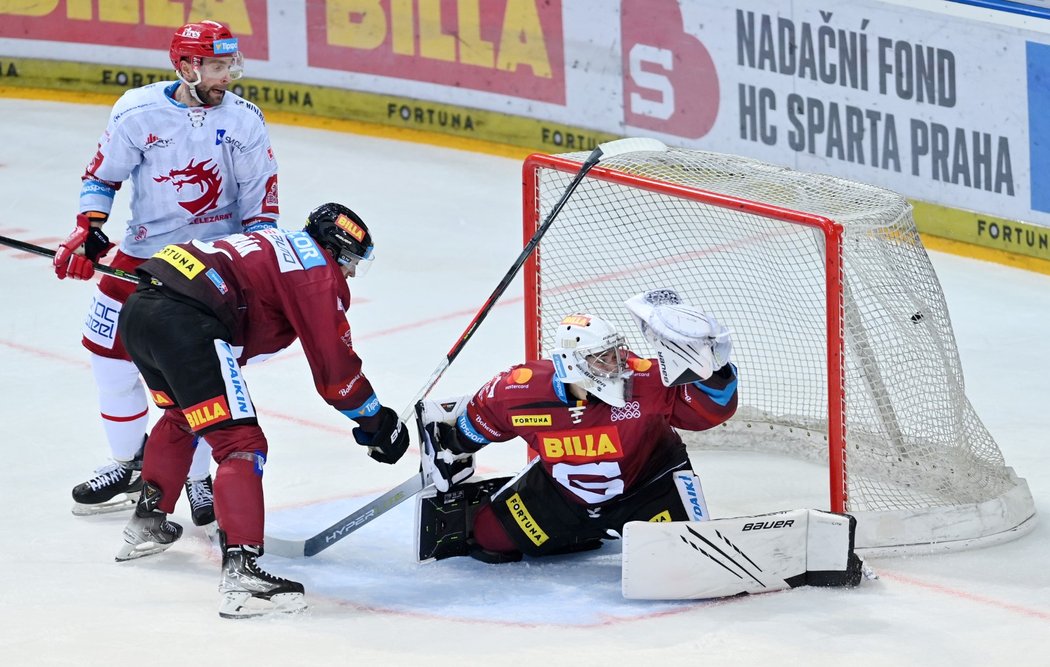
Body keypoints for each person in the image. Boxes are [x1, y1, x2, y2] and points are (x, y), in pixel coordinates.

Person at [113, 202, 410, 619]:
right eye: (349, 261)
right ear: (332, 249)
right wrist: (377, 421)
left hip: (142, 310)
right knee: (241, 442)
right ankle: (242, 572)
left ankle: (147, 522)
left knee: (183, 417)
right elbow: (334, 369)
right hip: (187, 322)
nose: (352, 273)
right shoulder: (315, 272)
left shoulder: (279, 243)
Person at [54, 20, 280, 525]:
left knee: (194, 378)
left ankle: (197, 478)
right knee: (109, 364)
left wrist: (254, 261)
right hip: (143, 253)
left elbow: (261, 204)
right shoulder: (137, 111)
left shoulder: (244, 120)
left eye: (229, 64)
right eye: (218, 66)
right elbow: (102, 176)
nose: (228, 75)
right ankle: (128, 462)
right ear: (186, 66)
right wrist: (90, 228)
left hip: (211, 263)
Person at [416, 289, 738, 563]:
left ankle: (611, 527)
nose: (618, 365)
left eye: (616, 353)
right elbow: (483, 417)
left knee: (684, 557)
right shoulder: (520, 389)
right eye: (603, 358)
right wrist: (453, 445)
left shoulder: (645, 379)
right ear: (570, 363)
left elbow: (709, 413)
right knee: (489, 536)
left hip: (647, 487)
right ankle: (579, 532)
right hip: (564, 497)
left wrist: (715, 369)